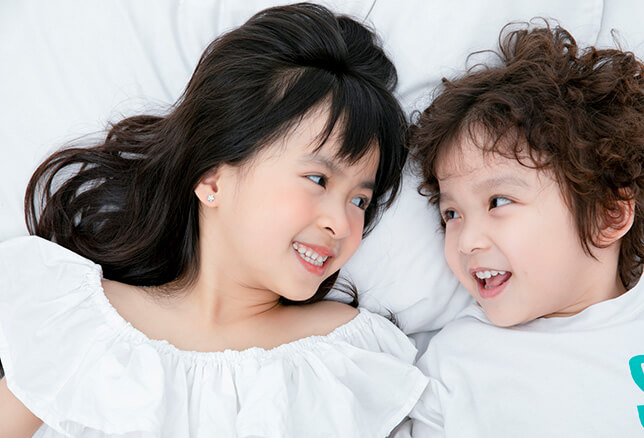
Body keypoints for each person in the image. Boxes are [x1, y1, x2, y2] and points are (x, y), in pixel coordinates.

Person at [0, 3, 428, 436]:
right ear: (212, 180)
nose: (342, 224)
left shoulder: (347, 359)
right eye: (318, 179)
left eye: (359, 201)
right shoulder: (79, 324)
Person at [404, 21, 644, 436]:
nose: (467, 242)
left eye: (498, 202)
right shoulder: (459, 363)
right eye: (451, 214)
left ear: (608, 215)